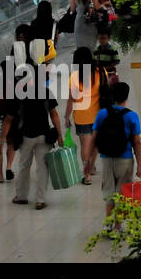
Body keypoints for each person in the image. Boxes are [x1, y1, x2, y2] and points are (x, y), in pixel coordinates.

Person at [8, 68, 63, 209]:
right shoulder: (45, 92)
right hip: (44, 136)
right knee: (42, 168)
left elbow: (10, 117)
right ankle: (40, 200)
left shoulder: (18, 94)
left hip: (26, 136)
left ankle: (21, 196)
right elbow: (54, 114)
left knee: (23, 166)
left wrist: (5, 138)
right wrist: (59, 134)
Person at [93, 81, 141, 217]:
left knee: (109, 193)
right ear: (126, 96)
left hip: (106, 158)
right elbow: (137, 142)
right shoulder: (132, 116)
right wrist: (139, 165)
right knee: (123, 194)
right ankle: (118, 227)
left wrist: (88, 164)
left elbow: (94, 139)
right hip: (125, 158)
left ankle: (108, 225)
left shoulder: (102, 114)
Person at [64, 48, 101, 185]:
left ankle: (87, 175)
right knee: (96, 144)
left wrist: (66, 117)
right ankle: (91, 167)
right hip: (99, 115)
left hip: (81, 116)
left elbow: (71, 100)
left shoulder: (75, 76)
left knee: (85, 146)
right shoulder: (100, 72)